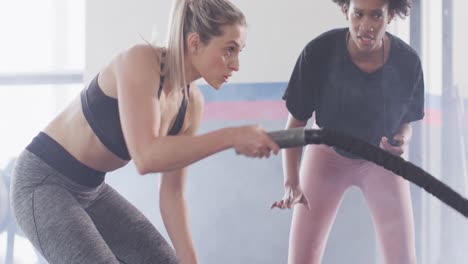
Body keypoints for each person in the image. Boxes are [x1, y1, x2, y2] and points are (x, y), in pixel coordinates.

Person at [10, 0, 280, 263]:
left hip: (92, 191)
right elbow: (146, 157)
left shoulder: (191, 104)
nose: (236, 64)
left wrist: (190, 260)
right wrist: (231, 136)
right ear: (195, 42)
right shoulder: (141, 60)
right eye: (229, 50)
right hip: (42, 182)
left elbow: (172, 194)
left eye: (239, 51)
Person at [271, 0, 424, 263]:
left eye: (376, 15)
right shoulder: (318, 53)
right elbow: (295, 125)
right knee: (301, 259)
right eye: (358, 14)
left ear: (390, 16)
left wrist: (402, 140)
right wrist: (291, 182)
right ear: (345, 11)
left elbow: (406, 123)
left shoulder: (407, 62)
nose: (366, 26)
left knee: (403, 259)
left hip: (381, 161)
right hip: (326, 158)